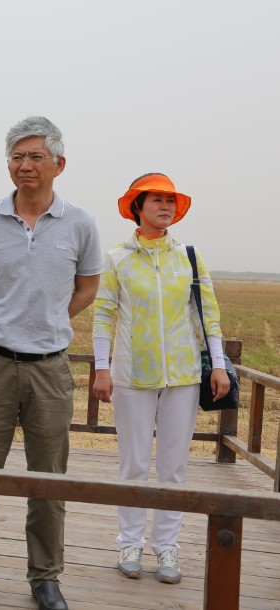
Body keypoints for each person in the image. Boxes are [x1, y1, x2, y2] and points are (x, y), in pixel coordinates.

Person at [0, 116, 102, 610]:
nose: (25, 165)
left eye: (36, 156)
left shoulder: (80, 223)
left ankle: (45, 576)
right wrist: (5, 322)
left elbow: (88, 287)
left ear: (60, 164)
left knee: (49, 478)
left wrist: (49, 319)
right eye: (17, 156)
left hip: (50, 369)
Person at [91, 173, 230, 585]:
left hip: (183, 377)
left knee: (173, 468)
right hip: (132, 375)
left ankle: (167, 547)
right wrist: (102, 367)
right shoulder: (117, 258)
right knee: (133, 464)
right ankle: (129, 543)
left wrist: (218, 365)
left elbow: (208, 316)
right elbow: (103, 314)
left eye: (171, 200)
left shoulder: (189, 257)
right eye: (156, 199)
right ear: (138, 207)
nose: (166, 206)